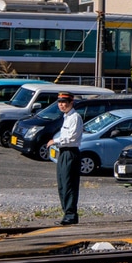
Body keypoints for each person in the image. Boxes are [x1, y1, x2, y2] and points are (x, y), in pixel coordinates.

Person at [45, 92, 84, 225]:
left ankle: (71, 214)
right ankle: (66, 213)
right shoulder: (66, 117)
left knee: (69, 184)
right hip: (63, 152)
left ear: (71, 103)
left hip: (71, 152)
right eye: (60, 102)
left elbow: (72, 138)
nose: (61, 105)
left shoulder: (75, 117)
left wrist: (55, 141)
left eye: (64, 103)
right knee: (62, 184)